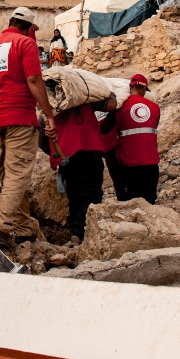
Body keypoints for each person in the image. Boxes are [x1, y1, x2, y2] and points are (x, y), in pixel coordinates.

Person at [0, 7, 58, 249]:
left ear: (9, 22)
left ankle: (22, 228)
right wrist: (49, 114)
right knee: (17, 176)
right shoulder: (25, 44)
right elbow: (33, 80)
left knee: (9, 178)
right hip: (19, 117)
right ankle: (0, 228)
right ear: (30, 28)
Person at [46, 94, 117, 246]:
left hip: (66, 156)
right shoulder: (85, 99)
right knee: (91, 194)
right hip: (88, 151)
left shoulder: (50, 109)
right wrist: (111, 94)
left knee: (74, 194)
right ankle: (79, 234)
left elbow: (42, 142)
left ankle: (75, 234)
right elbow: (111, 105)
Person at [115, 74, 161, 204]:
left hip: (129, 163)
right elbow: (154, 125)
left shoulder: (119, 107)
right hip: (151, 161)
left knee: (133, 200)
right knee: (150, 200)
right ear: (143, 89)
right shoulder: (155, 108)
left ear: (130, 87)